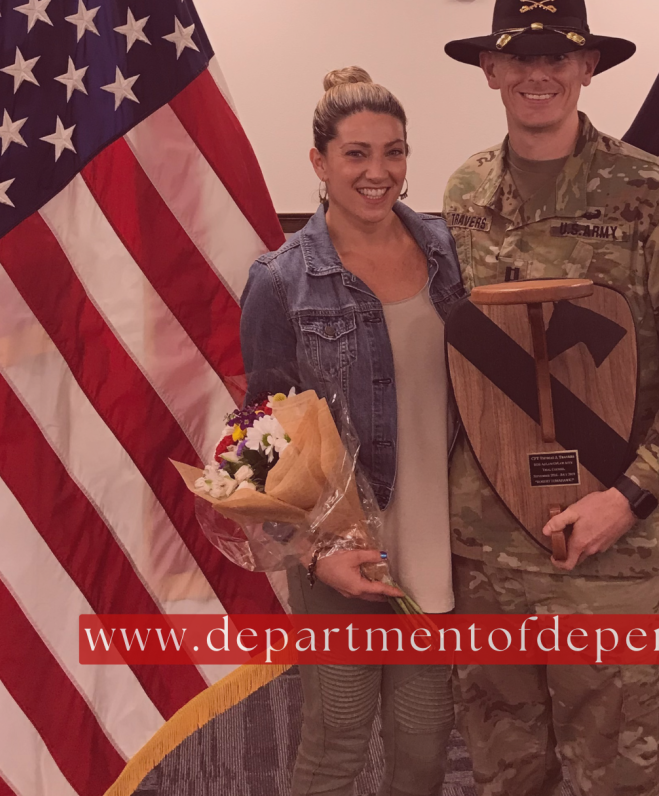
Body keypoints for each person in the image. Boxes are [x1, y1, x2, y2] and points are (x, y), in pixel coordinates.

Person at [442, 0, 659, 796]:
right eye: (519, 56)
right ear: (488, 69)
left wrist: (628, 498)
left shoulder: (653, 195)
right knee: (506, 770)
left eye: (557, 55)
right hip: (491, 544)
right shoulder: (466, 192)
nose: (537, 73)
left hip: (610, 550)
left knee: (616, 772)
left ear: (588, 68)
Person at [240, 67, 465, 796]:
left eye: (394, 152)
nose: (379, 173)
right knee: (336, 744)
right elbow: (260, 432)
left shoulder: (449, 254)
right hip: (346, 551)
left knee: (425, 748)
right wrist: (310, 551)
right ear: (319, 162)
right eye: (356, 154)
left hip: (446, 540)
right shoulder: (282, 280)